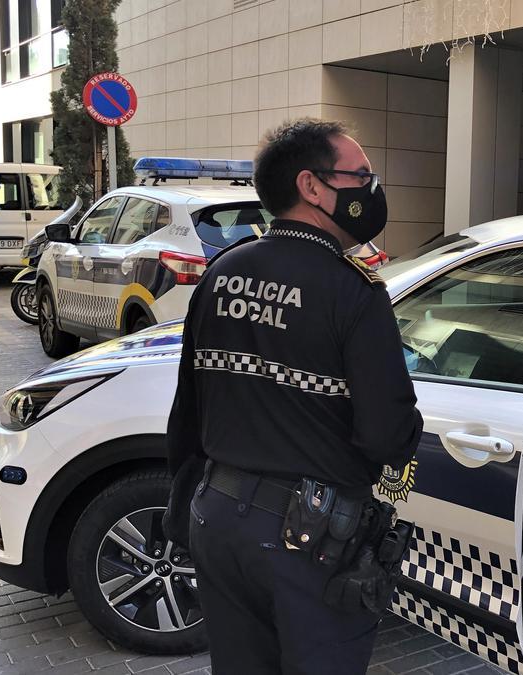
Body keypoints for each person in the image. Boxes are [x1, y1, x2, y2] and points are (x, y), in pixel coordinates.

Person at [163, 118, 423, 674]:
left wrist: (182, 509)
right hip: (309, 540)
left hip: (216, 521)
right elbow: (385, 433)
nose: (371, 191)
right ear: (311, 186)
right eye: (361, 176)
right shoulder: (352, 290)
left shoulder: (222, 272)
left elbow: (187, 409)